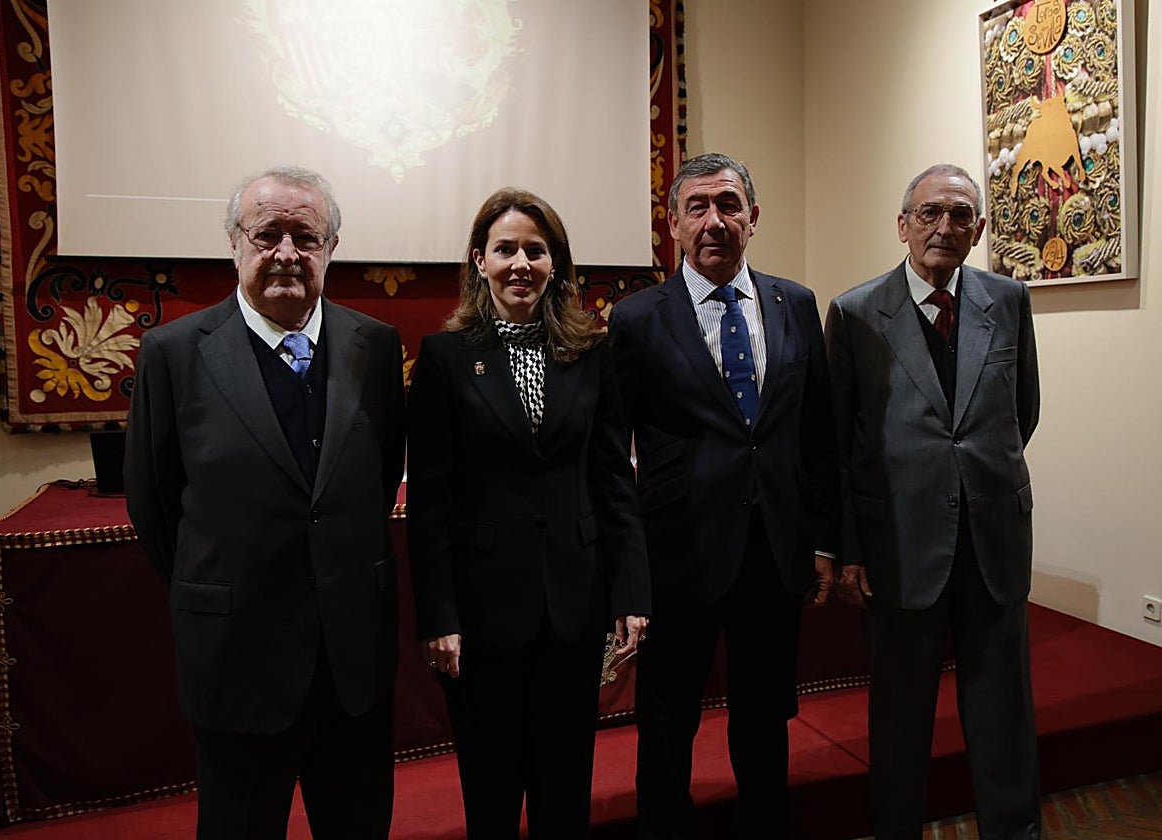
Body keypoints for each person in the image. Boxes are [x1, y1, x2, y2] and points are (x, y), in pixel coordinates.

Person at [124, 165, 406, 839]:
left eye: (305, 237)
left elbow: (377, 482)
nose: (286, 252)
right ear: (234, 242)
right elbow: (154, 503)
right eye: (268, 233)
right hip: (237, 659)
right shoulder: (172, 354)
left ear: (332, 247)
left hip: (352, 663)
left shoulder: (376, 346)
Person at [406, 187, 651, 839]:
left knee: (565, 788)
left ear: (556, 264)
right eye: (505, 249)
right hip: (481, 620)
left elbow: (612, 482)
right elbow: (429, 503)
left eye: (536, 251)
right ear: (479, 262)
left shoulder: (591, 355)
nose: (521, 263)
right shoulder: (446, 359)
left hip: (573, 608)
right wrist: (439, 616)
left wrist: (630, 591)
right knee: (490, 791)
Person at [607, 153, 839, 839]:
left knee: (765, 719)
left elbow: (817, 432)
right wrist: (626, 573)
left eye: (729, 205)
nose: (715, 221)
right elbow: (612, 455)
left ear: (753, 218)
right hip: (676, 556)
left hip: (773, 553)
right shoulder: (635, 319)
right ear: (672, 223)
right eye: (698, 207)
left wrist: (824, 538)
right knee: (668, 723)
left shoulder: (794, 303)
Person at [825, 163, 1041, 840]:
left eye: (958, 215)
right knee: (900, 719)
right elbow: (838, 442)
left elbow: (1022, 409)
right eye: (929, 213)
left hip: (993, 543)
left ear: (977, 230)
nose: (943, 227)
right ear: (903, 225)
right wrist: (850, 547)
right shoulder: (856, 312)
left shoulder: (1007, 301)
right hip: (899, 547)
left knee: (1004, 711)